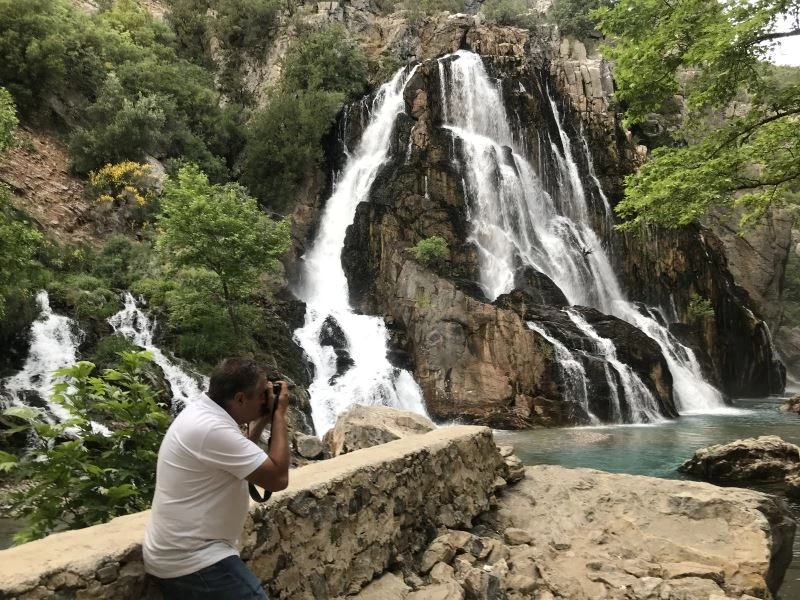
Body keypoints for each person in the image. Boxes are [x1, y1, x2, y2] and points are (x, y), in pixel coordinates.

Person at [143, 357, 290, 599]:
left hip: (184, 552)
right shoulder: (210, 428)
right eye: (263, 393)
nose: (268, 398)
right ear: (240, 398)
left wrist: (262, 419)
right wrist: (279, 416)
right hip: (193, 559)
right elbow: (277, 479)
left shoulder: (206, 414)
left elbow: (242, 458)